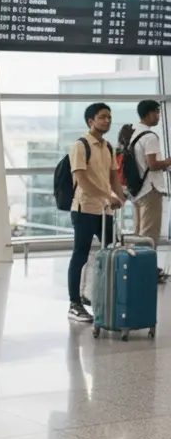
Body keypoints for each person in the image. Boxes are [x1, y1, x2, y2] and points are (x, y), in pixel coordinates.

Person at [67, 102, 125, 324]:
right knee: (80, 255)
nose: (107, 120)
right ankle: (75, 303)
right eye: (102, 117)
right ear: (91, 121)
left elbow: (113, 178)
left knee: (113, 252)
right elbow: (82, 180)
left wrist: (119, 196)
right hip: (84, 210)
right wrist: (106, 197)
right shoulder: (81, 146)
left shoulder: (108, 147)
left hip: (105, 210)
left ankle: (101, 295)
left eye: (109, 117)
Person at [128, 100, 170, 280]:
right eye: (157, 113)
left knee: (139, 233)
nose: (159, 116)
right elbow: (152, 165)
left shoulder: (133, 133)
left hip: (137, 190)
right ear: (148, 114)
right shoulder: (150, 136)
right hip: (150, 189)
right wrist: (168, 161)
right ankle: (145, 272)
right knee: (149, 235)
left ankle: (137, 268)